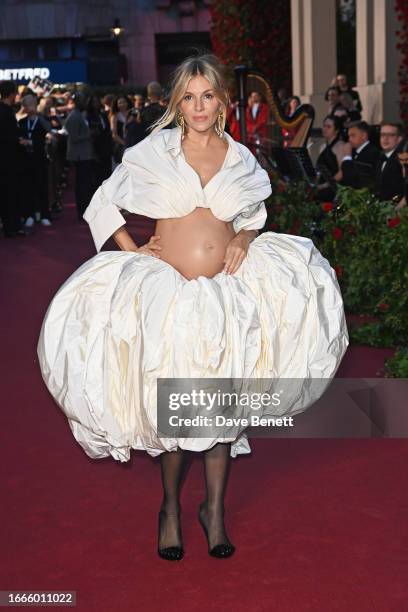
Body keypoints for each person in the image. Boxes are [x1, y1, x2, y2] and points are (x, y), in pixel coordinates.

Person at [37, 53, 349, 562]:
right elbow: (102, 200)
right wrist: (132, 249)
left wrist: (246, 237)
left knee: (220, 408)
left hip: (224, 293)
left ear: (221, 101)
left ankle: (216, 512)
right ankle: (170, 510)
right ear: (177, 103)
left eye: (208, 96)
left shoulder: (240, 155)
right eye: (189, 96)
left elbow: (253, 213)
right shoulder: (156, 149)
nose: (199, 105)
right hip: (170, 294)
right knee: (176, 411)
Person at [18, 94, 53, 227]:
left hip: (40, 159)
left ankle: (44, 214)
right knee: (28, 188)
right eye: (25, 104)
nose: (27, 107)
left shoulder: (42, 121)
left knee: (42, 187)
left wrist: (30, 142)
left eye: (30, 103)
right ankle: (29, 215)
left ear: (35, 104)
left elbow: (47, 137)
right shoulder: (21, 122)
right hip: (26, 161)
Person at [64, 92, 95, 220]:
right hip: (79, 156)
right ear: (77, 102)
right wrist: (90, 134)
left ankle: (84, 210)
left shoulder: (79, 115)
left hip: (84, 155)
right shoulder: (74, 117)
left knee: (85, 183)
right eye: (83, 100)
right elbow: (74, 137)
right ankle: (81, 211)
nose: (85, 103)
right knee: (82, 184)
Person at [339, 121, 380, 189]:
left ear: (364, 135)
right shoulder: (354, 151)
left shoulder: (372, 153)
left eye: (353, 135)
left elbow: (350, 177)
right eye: (349, 136)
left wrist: (347, 156)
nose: (349, 139)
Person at [374, 122, 405, 202]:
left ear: (399, 139)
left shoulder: (403, 159)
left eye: (391, 135)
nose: (385, 138)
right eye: (383, 135)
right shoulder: (379, 157)